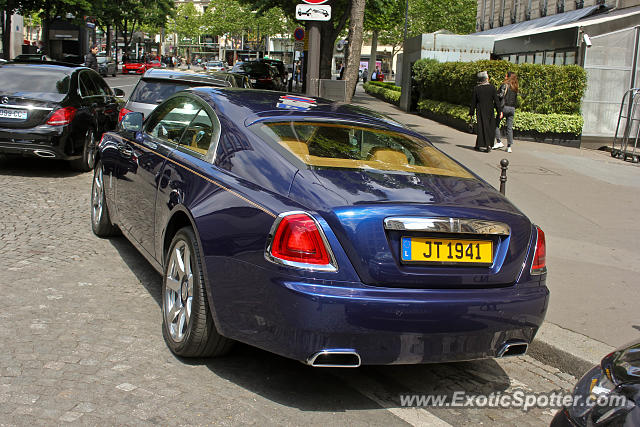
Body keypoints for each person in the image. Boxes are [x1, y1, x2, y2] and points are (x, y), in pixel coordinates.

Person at [469, 71, 502, 153]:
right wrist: (499, 111)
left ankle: (481, 144)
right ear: (486, 79)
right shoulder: (492, 87)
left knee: (482, 127)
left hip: (480, 110)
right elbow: (496, 101)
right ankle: (488, 144)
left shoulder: (477, 88)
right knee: (490, 127)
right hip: (490, 109)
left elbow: (473, 102)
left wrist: (471, 112)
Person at [493, 71, 519, 153]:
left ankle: (498, 141)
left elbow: (501, 95)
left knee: (496, 124)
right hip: (512, 108)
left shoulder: (505, 85)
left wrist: (495, 95)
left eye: (506, 75)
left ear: (508, 77)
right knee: (509, 128)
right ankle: (509, 146)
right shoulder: (515, 87)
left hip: (504, 107)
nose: (505, 77)